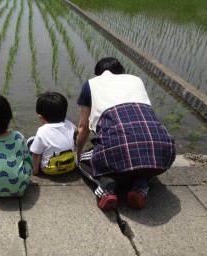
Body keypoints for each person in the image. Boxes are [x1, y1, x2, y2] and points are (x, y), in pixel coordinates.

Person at [75, 57, 176, 210]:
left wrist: (77, 154)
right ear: (122, 73)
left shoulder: (91, 84)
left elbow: (83, 127)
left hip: (117, 148)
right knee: (146, 160)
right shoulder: (136, 81)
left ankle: (106, 187)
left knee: (84, 160)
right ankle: (140, 185)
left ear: (97, 75)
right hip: (164, 152)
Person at [27, 91, 76, 175]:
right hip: (71, 166)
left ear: (40, 117)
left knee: (31, 140)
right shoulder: (70, 125)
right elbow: (77, 133)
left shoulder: (42, 131)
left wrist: (35, 170)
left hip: (48, 170)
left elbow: (36, 154)